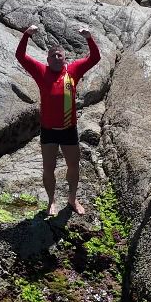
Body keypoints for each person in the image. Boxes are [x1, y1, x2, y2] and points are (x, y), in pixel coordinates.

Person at [16, 24, 100, 216]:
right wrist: (26, 35)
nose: (56, 58)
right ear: (47, 59)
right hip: (48, 130)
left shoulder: (73, 70)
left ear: (64, 59)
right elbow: (20, 56)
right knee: (48, 168)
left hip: (69, 129)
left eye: (59, 55)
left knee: (73, 166)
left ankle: (72, 199)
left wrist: (89, 38)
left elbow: (95, 58)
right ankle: (51, 201)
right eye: (52, 56)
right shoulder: (40, 71)